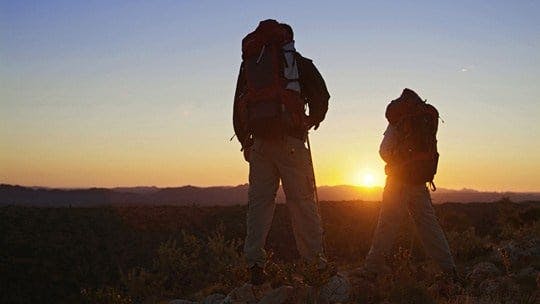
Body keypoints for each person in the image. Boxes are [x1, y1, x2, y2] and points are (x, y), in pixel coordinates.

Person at [232, 19, 330, 285]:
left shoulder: (250, 67)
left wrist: (246, 142)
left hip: (260, 144)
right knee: (302, 203)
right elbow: (322, 96)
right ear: (289, 41)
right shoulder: (298, 63)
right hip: (292, 142)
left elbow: (237, 106)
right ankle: (314, 265)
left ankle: (254, 266)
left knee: (259, 205)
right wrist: (311, 120)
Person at [354, 89, 457, 280]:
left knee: (387, 224)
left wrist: (395, 161)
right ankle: (448, 269)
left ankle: (372, 268)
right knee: (429, 225)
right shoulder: (425, 118)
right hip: (419, 180)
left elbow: (384, 151)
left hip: (398, 180)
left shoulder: (398, 121)